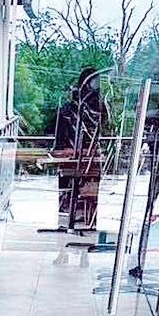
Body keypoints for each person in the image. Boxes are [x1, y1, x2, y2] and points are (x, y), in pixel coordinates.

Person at [52, 65, 103, 232]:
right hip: (72, 158)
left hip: (90, 159)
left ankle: (84, 220)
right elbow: (60, 139)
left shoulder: (100, 107)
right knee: (69, 186)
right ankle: (69, 218)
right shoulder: (69, 109)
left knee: (87, 189)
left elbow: (104, 131)